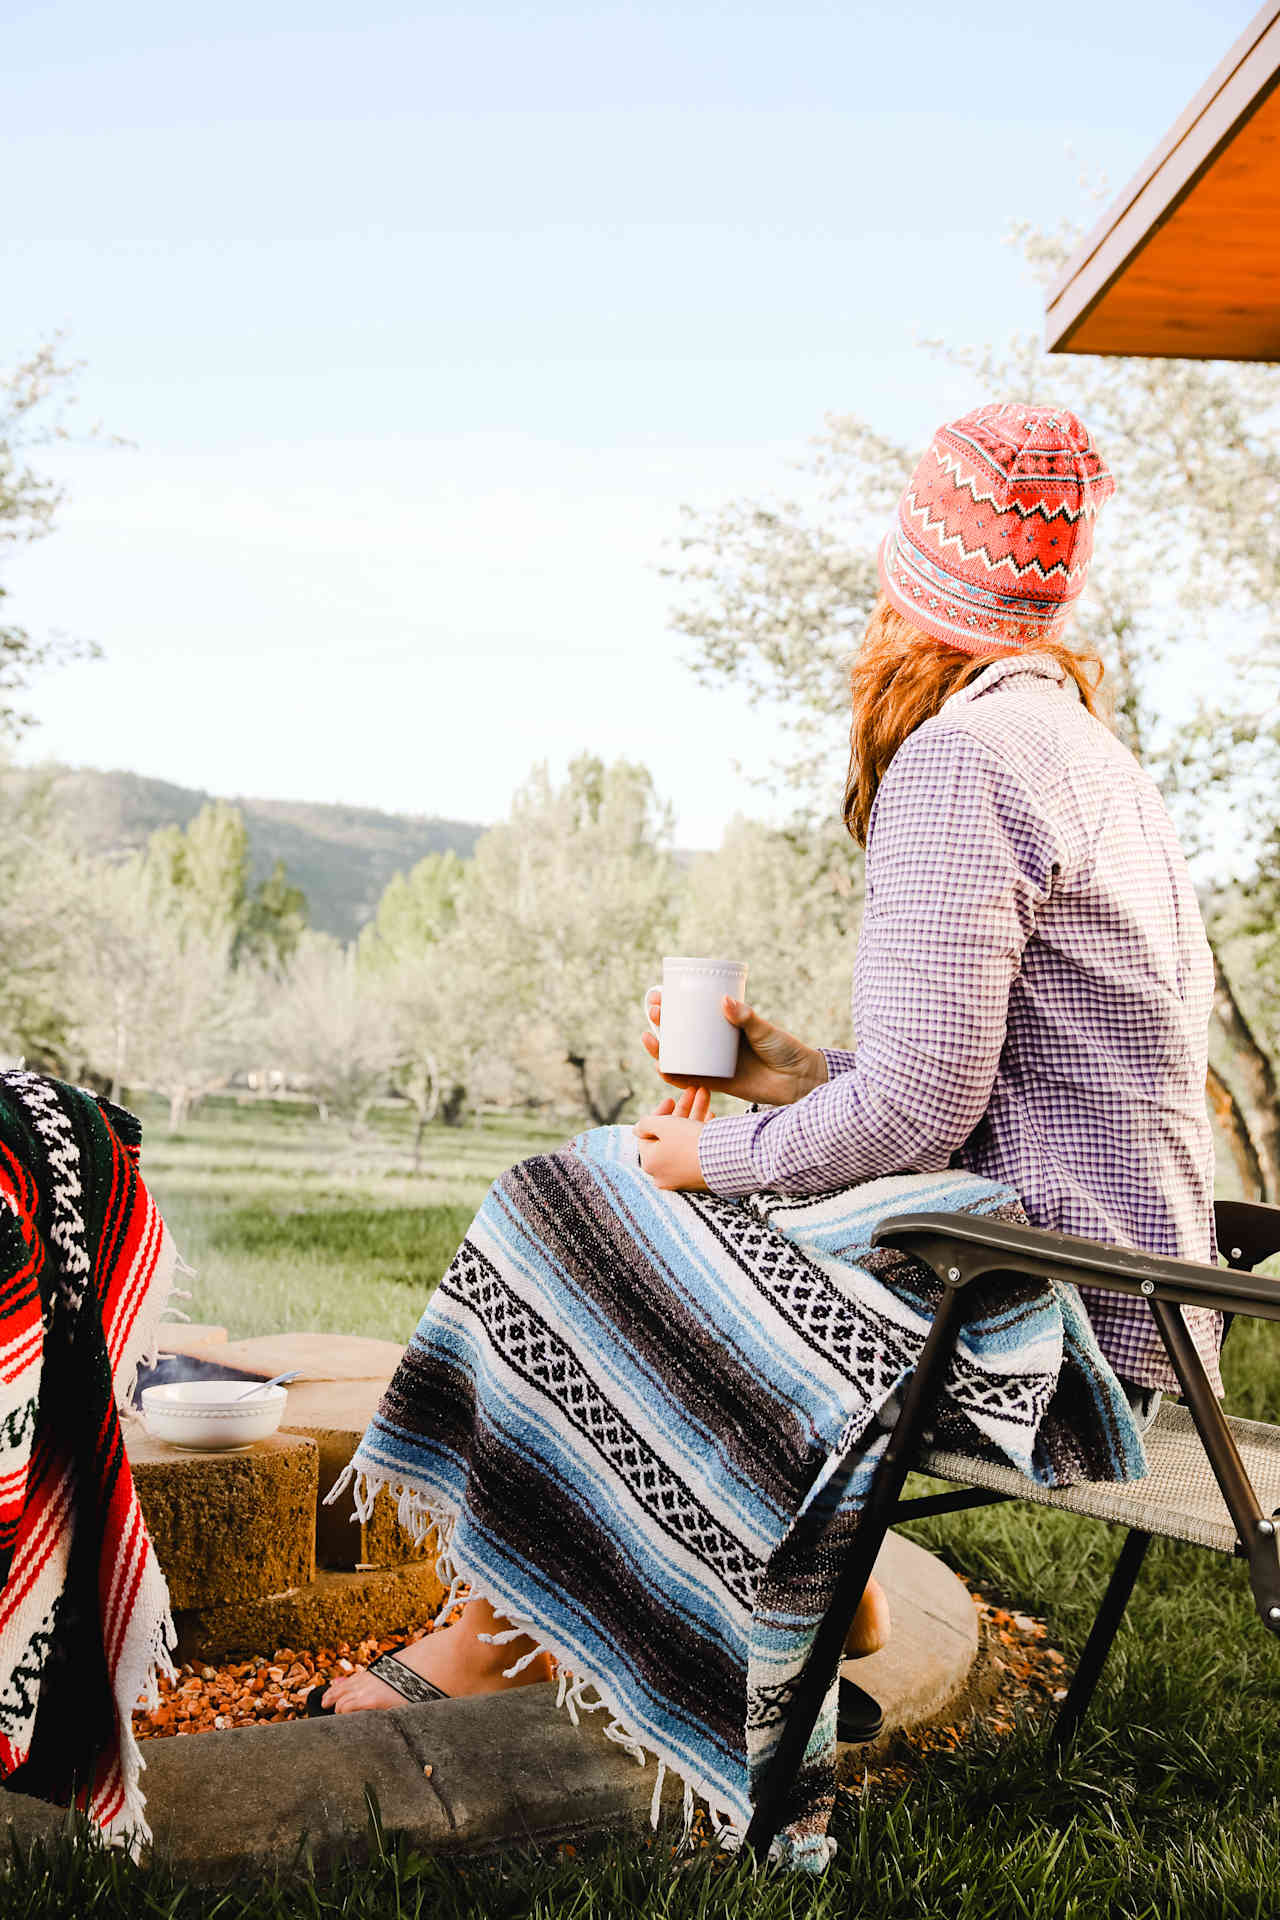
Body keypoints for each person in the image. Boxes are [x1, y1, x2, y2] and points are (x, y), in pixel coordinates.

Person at [317, 404, 1214, 1861]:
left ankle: (493, 1631)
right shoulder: (1088, 757)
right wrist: (791, 1072)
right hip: (1137, 1299)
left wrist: (708, 1153)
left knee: (569, 1198)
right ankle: (826, 1588)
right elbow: (975, 1080)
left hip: (1034, 1328)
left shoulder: (961, 764)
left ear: (907, 590)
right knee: (632, 1213)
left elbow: (923, 1113)